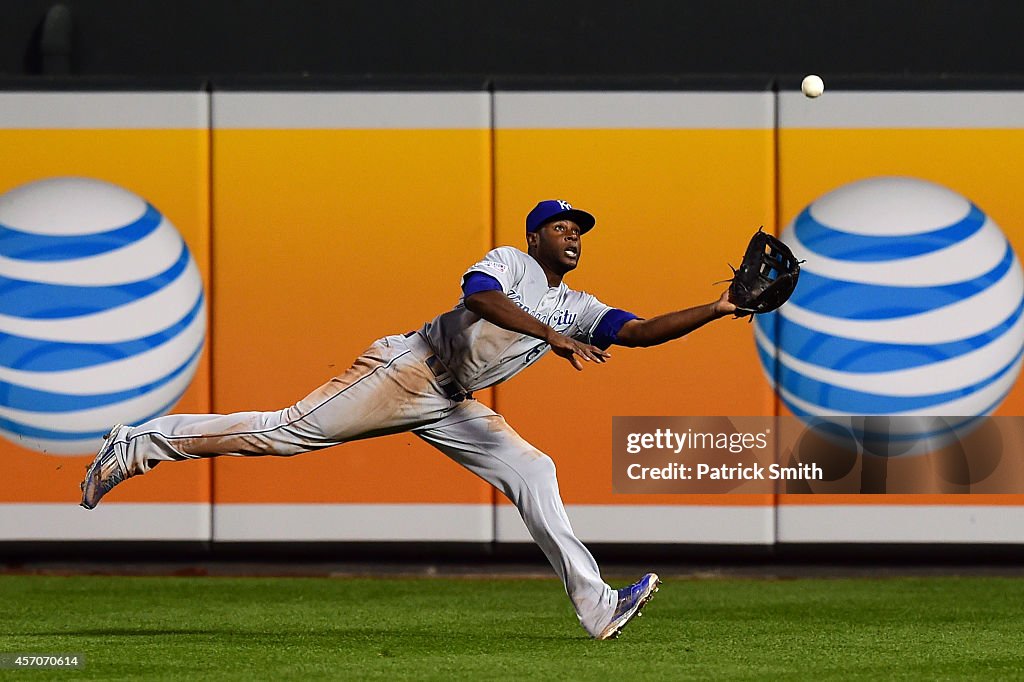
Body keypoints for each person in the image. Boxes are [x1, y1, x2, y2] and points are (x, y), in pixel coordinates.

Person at [80, 199, 738, 639]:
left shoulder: (576, 304)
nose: (574, 237)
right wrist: (550, 334)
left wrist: (718, 308)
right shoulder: (511, 263)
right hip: (408, 369)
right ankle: (143, 441)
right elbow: (480, 299)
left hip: (450, 404)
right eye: (564, 227)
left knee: (535, 469)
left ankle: (596, 607)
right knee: (281, 433)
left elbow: (643, 331)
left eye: (580, 231)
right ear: (536, 234)